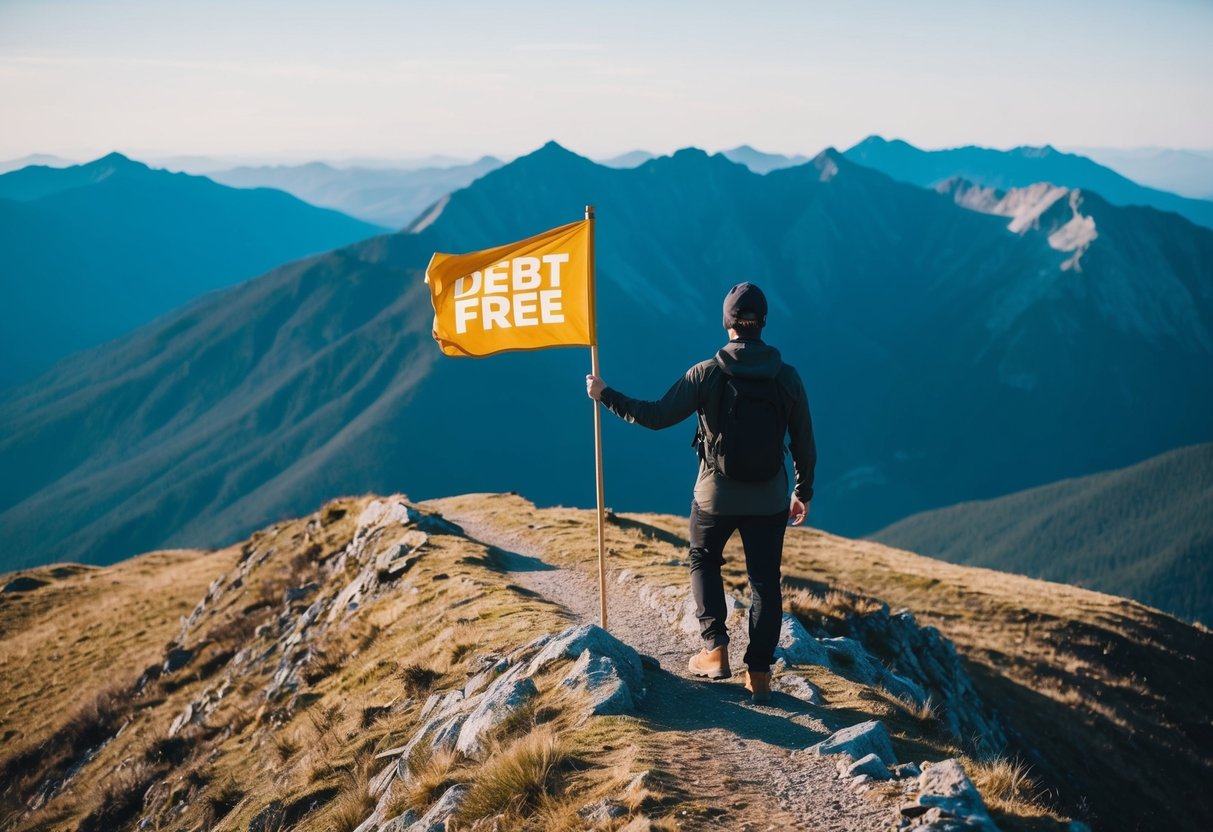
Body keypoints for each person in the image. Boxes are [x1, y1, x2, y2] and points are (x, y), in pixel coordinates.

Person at [585, 282, 816, 704]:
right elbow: (804, 441)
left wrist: (605, 396)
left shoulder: (706, 373)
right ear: (762, 322)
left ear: (727, 323)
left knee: (703, 559)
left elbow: (654, 416)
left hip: (715, 497)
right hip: (768, 499)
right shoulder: (787, 377)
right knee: (765, 581)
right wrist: (802, 490)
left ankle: (715, 650)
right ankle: (760, 676)